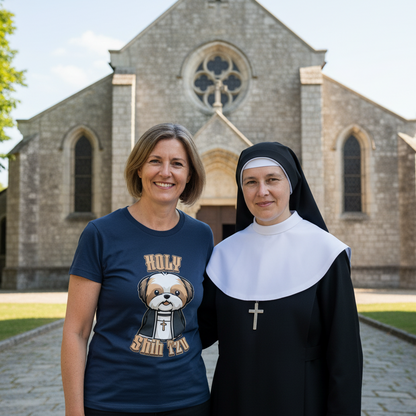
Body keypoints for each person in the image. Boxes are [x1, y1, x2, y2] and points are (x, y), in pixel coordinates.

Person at [199, 141, 363, 416]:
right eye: (251, 182)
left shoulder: (325, 252)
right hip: (232, 400)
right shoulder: (223, 254)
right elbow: (198, 333)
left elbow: (345, 354)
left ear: (291, 183)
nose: (262, 191)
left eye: (272, 179)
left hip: (301, 401)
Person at [61, 123, 214, 416]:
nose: (165, 172)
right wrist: (73, 411)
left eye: (177, 164)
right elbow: (76, 331)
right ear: (139, 168)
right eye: (155, 160)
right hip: (112, 401)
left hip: (188, 400)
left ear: (189, 174)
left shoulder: (202, 236)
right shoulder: (101, 233)